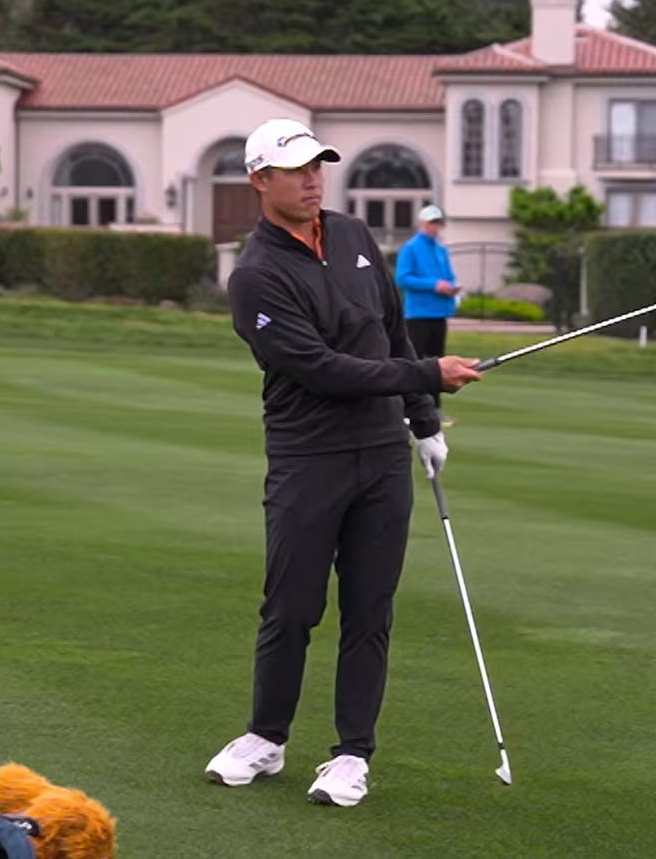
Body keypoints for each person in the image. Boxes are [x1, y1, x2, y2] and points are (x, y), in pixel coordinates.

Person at [204, 119, 483, 807]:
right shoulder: (256, 276)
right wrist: (428, 374)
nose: (312, 180)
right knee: (291, 607)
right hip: (308, 458)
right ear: (259, 180)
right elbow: (322, 368)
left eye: (317, 166)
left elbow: (391, 330)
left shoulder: (354, 235)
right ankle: (266, 738)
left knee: (369, 609)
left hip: (382, 457)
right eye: (296, 169)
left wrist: (423, 422)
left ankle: (352, 754)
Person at [393, 204, 461, 422]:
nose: (435, 227)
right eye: (432, 222)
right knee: (415, 361)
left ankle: (434, 408)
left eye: (438, 223)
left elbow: (448, 276)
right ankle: (410, 408)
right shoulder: (411, 248)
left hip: (439, 312)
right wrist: (434, 285)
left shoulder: (441, 249)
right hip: (418, 313)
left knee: (437, 362)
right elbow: (403, 278)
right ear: (422, 223)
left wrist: (451, 287)